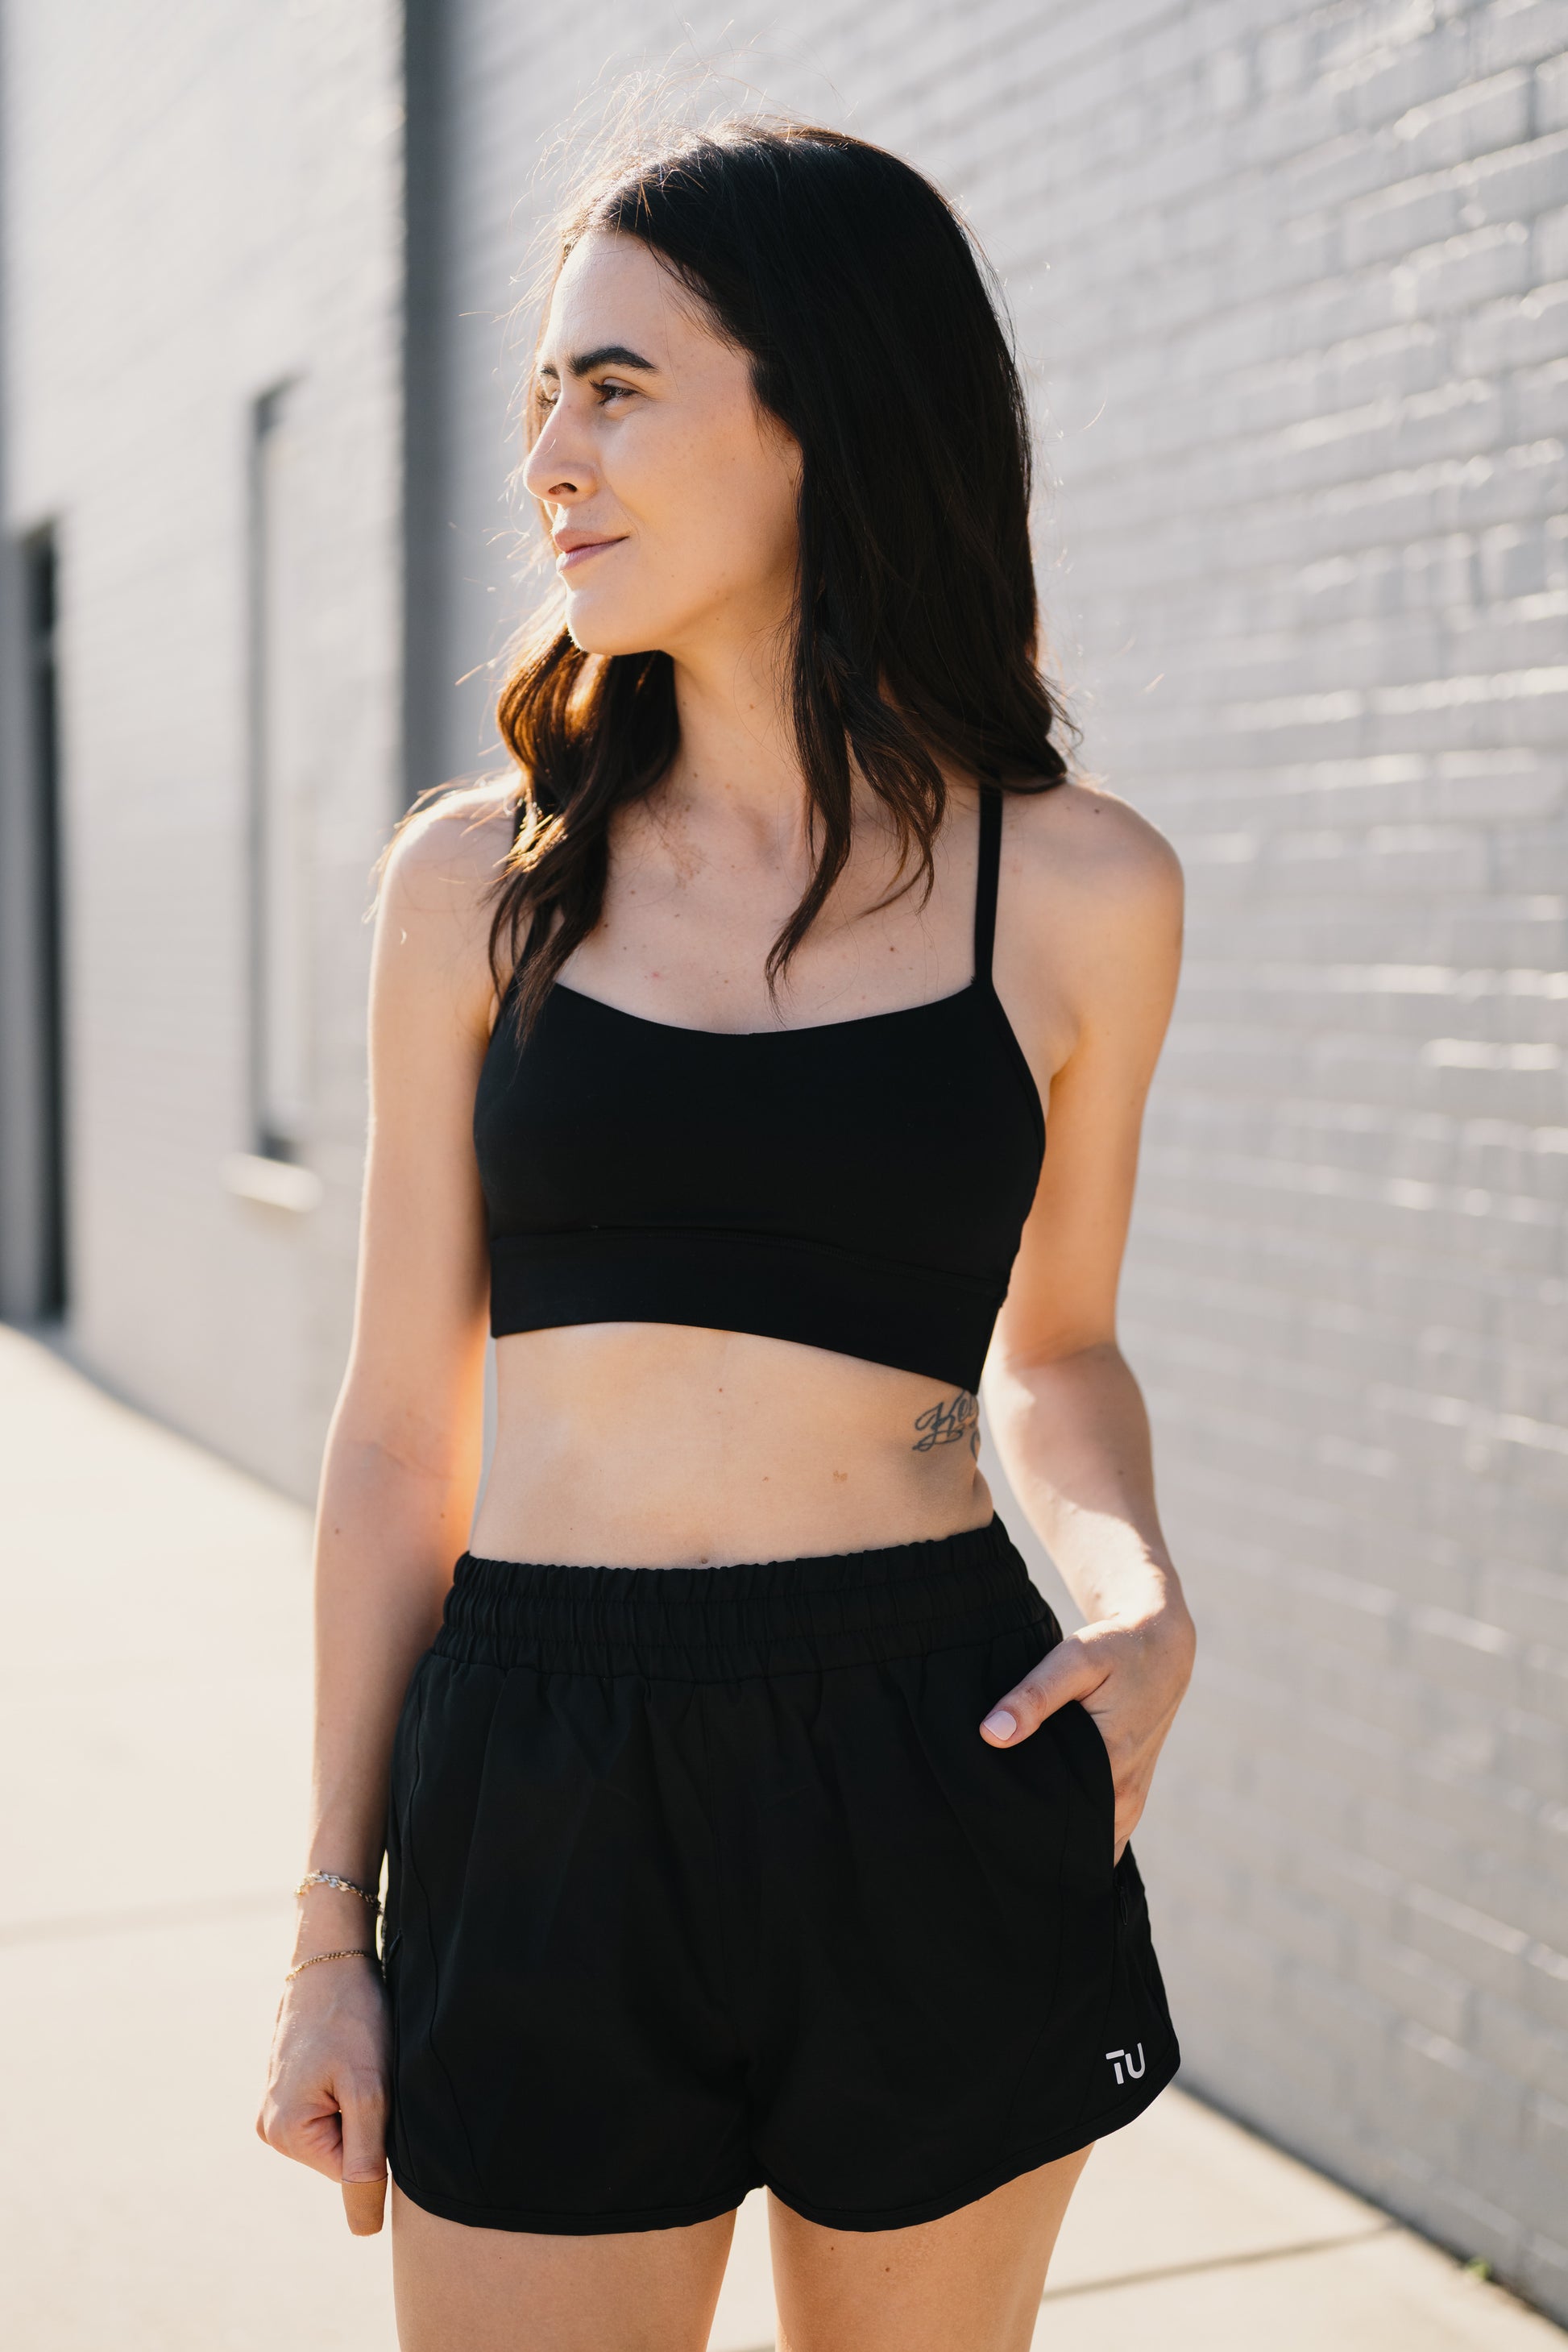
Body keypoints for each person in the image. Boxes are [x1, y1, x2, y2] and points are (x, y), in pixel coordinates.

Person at [257, 117, 1195, 2352]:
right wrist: (329, 1921)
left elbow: (1053, 1348)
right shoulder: (473, 889)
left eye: (615, 388)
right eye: (540, 403)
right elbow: (403, 1429)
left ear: (820, 406)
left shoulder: (1076, 891)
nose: (551, 460)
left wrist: (1139, 1591)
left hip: (928, 1744)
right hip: (539, 1766)